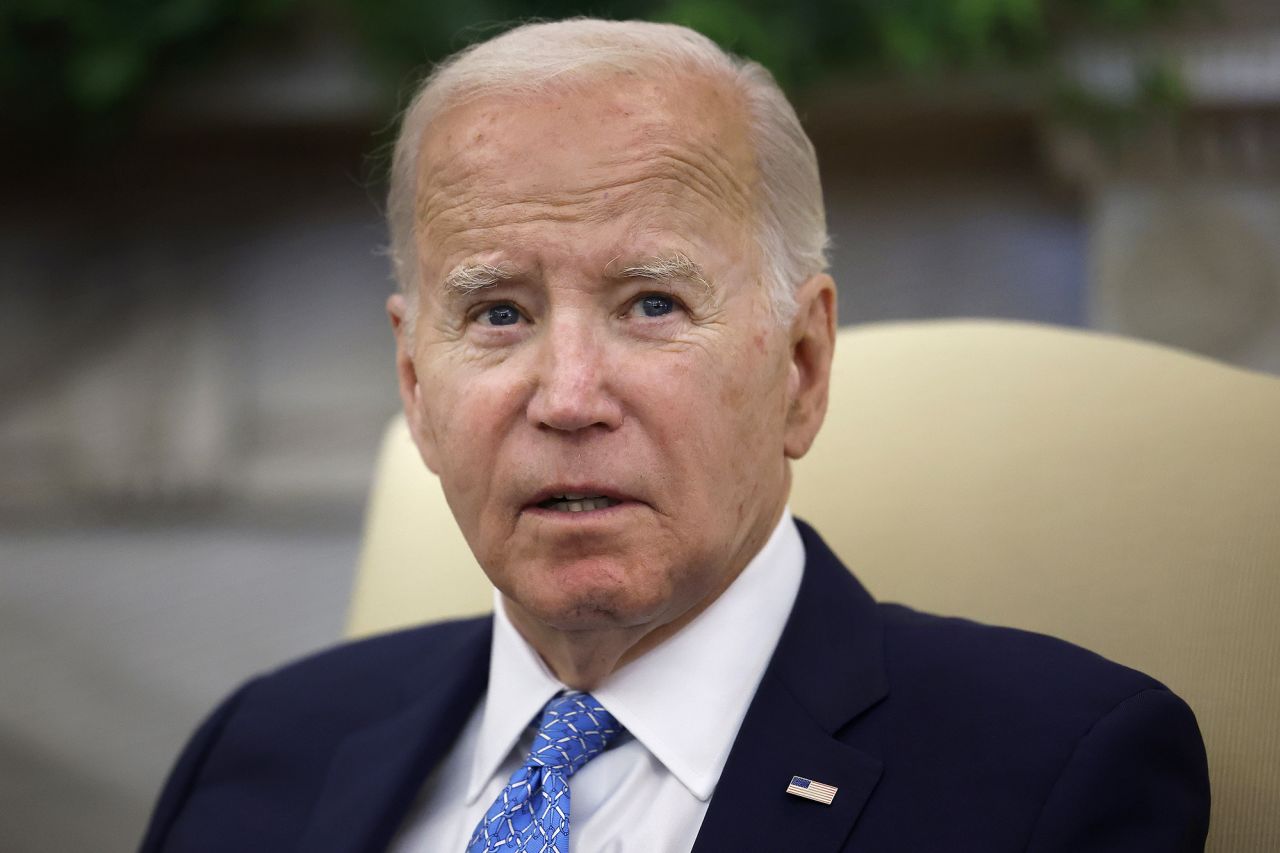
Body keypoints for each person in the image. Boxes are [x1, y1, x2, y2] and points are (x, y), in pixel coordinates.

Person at [139, 18, 1209, 853]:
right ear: (416, 387)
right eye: (498, 312)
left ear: (800, 366)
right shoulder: (259, 752)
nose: (566, 396)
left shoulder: (1053, 770)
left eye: (650, 303)